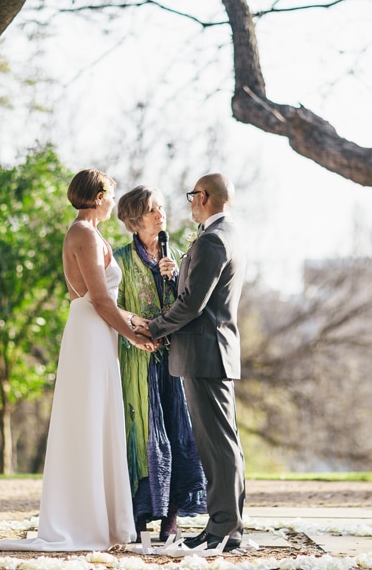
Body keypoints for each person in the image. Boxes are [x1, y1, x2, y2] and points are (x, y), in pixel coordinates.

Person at [0, 169, 155, 552]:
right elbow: (97, 299)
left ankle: (103, 520)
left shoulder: (92, 234)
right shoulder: (82, 233)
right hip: (90, 333)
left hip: (99, 331)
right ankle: (82, 520)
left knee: (100, 418)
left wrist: (141, 324)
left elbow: (108, 302)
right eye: (110, 194)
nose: (113, 200)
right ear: (97, 197)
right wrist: (133, 336)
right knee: (88, 419)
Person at [133, 173, 246, 552]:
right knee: (223, 442)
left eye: (192, 196)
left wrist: (155, 327)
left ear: (205, 196)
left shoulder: (213, 238)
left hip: (205, 352)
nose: (190, 202)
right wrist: (178, 276)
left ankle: (224, 528)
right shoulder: (228, 233)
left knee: (217, 444)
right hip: (212, 351)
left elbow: (195, 304)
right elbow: (203, 292)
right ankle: (226, 525)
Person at [113, 186, 206, 541]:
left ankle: (171, 520)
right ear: (136, 220)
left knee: (176, 432)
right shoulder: (120, 260)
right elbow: (110, 306)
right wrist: (137, 325)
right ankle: (137, 518)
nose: (160, 215)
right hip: (137, 359)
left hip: (174, 362)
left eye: (162, 208)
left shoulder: (176, 257)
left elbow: (191, 305)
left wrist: (177, 277)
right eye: (152, 210)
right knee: (142, 434)